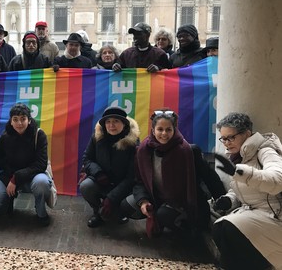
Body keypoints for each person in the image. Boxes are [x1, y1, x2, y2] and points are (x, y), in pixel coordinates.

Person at [212, 112, 282, 270]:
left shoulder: (266, 150)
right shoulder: (240, 156)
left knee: (229, 229)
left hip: (275, 217)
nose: (227, 143)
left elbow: (278, 181)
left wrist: (238, 172)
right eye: (223, 138)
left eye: (231, 137)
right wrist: (229, 199)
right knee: (220, 229)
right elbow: (242, 190)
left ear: (247, 134)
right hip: (254, 214)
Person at [120, 110, 198, 236]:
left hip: (176, 201)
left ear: (175, 129)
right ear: (153, 130)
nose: (164, 133)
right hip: (154, 196)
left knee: (164, 215)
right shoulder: (143, 149)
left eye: (168, 129)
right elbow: (139, 181)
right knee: (126, 206)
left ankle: (173, 222)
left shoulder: (184, 150)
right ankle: (158, 216)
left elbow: (190, 185)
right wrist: (143, 201)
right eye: (160, 129)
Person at [0, 103, 52, 226]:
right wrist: (10, 177)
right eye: (15, 119)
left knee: (42, 183)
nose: (19, 123)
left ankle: (41, 211)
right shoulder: (5, 137)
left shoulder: (39, 135)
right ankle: (6, 204)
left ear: (29, 120)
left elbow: (41, 164)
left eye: (23, 119)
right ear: (11, 121)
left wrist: (16, 178)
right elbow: (1, 160)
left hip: (33, 176)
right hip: (10, 175)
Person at [79, 107, 140, 228]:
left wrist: (111, 198)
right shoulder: (97, 137)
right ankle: (98, 212)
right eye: (108, 121)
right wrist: (98, 173)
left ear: (124, 123)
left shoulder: (134, 144)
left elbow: (132, 177)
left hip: (123, 186)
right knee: (86, 186)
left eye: (116, 121)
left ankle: (116, 210)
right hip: (102, 180)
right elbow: (87, 158)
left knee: (125, 205)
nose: (111, 125)